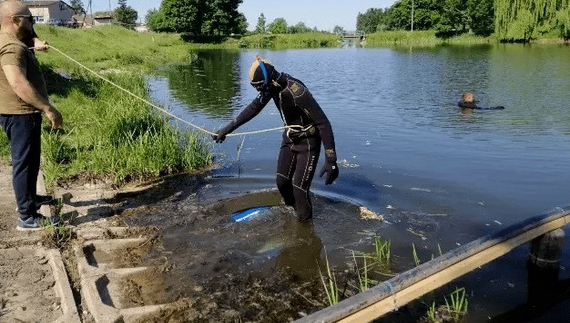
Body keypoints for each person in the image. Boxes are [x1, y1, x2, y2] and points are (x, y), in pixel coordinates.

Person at [213, 55, 339, 221]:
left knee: (299, 190)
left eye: (259, 87)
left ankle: (305, 226)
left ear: (268, 80)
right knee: (282, 182)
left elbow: (323, 123)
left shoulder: (297, 92)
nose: (260, 92)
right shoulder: (271, 87)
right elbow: (253, 108)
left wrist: (331, 160)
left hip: (307, 143)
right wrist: (226, 129)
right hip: (289, 138)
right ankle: (291, 214)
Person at [0, 0, 63, 230]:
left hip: (19, 114)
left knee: (31, 159)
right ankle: (26, 217)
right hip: (19, 114)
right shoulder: (12, 47)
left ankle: (30, 199)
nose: (33, 22)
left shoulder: (13, 40)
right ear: (16, 20)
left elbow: (27, 37)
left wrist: (35, 41)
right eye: (30, 19)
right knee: (23, 163)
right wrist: (48, 108)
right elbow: (18, 83)